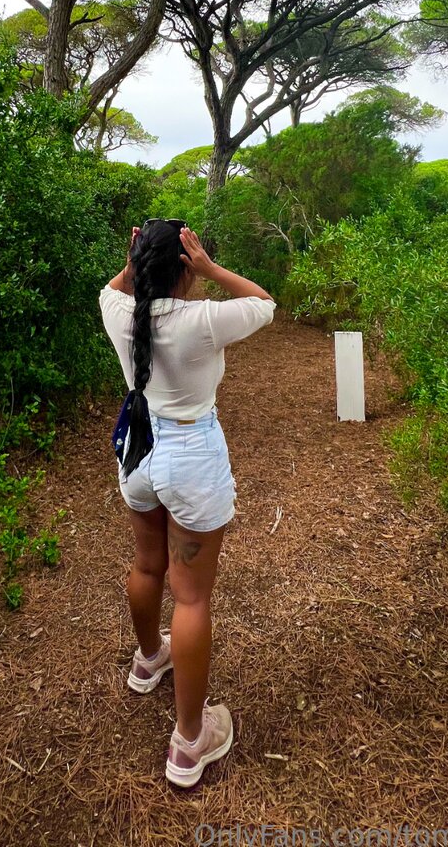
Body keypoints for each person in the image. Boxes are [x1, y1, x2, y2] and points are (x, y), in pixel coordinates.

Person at [99, 218, 275, 788]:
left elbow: (113, 287)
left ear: (137, 264)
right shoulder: (202, 320)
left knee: (147, 564)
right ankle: (189, 741)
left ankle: (150, 658)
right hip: (190, 456)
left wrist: (136, 260)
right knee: (192, 597)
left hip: (138, 451)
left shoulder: (118, 310)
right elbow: (264, 303)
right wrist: (211, 268)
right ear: (185, 266)